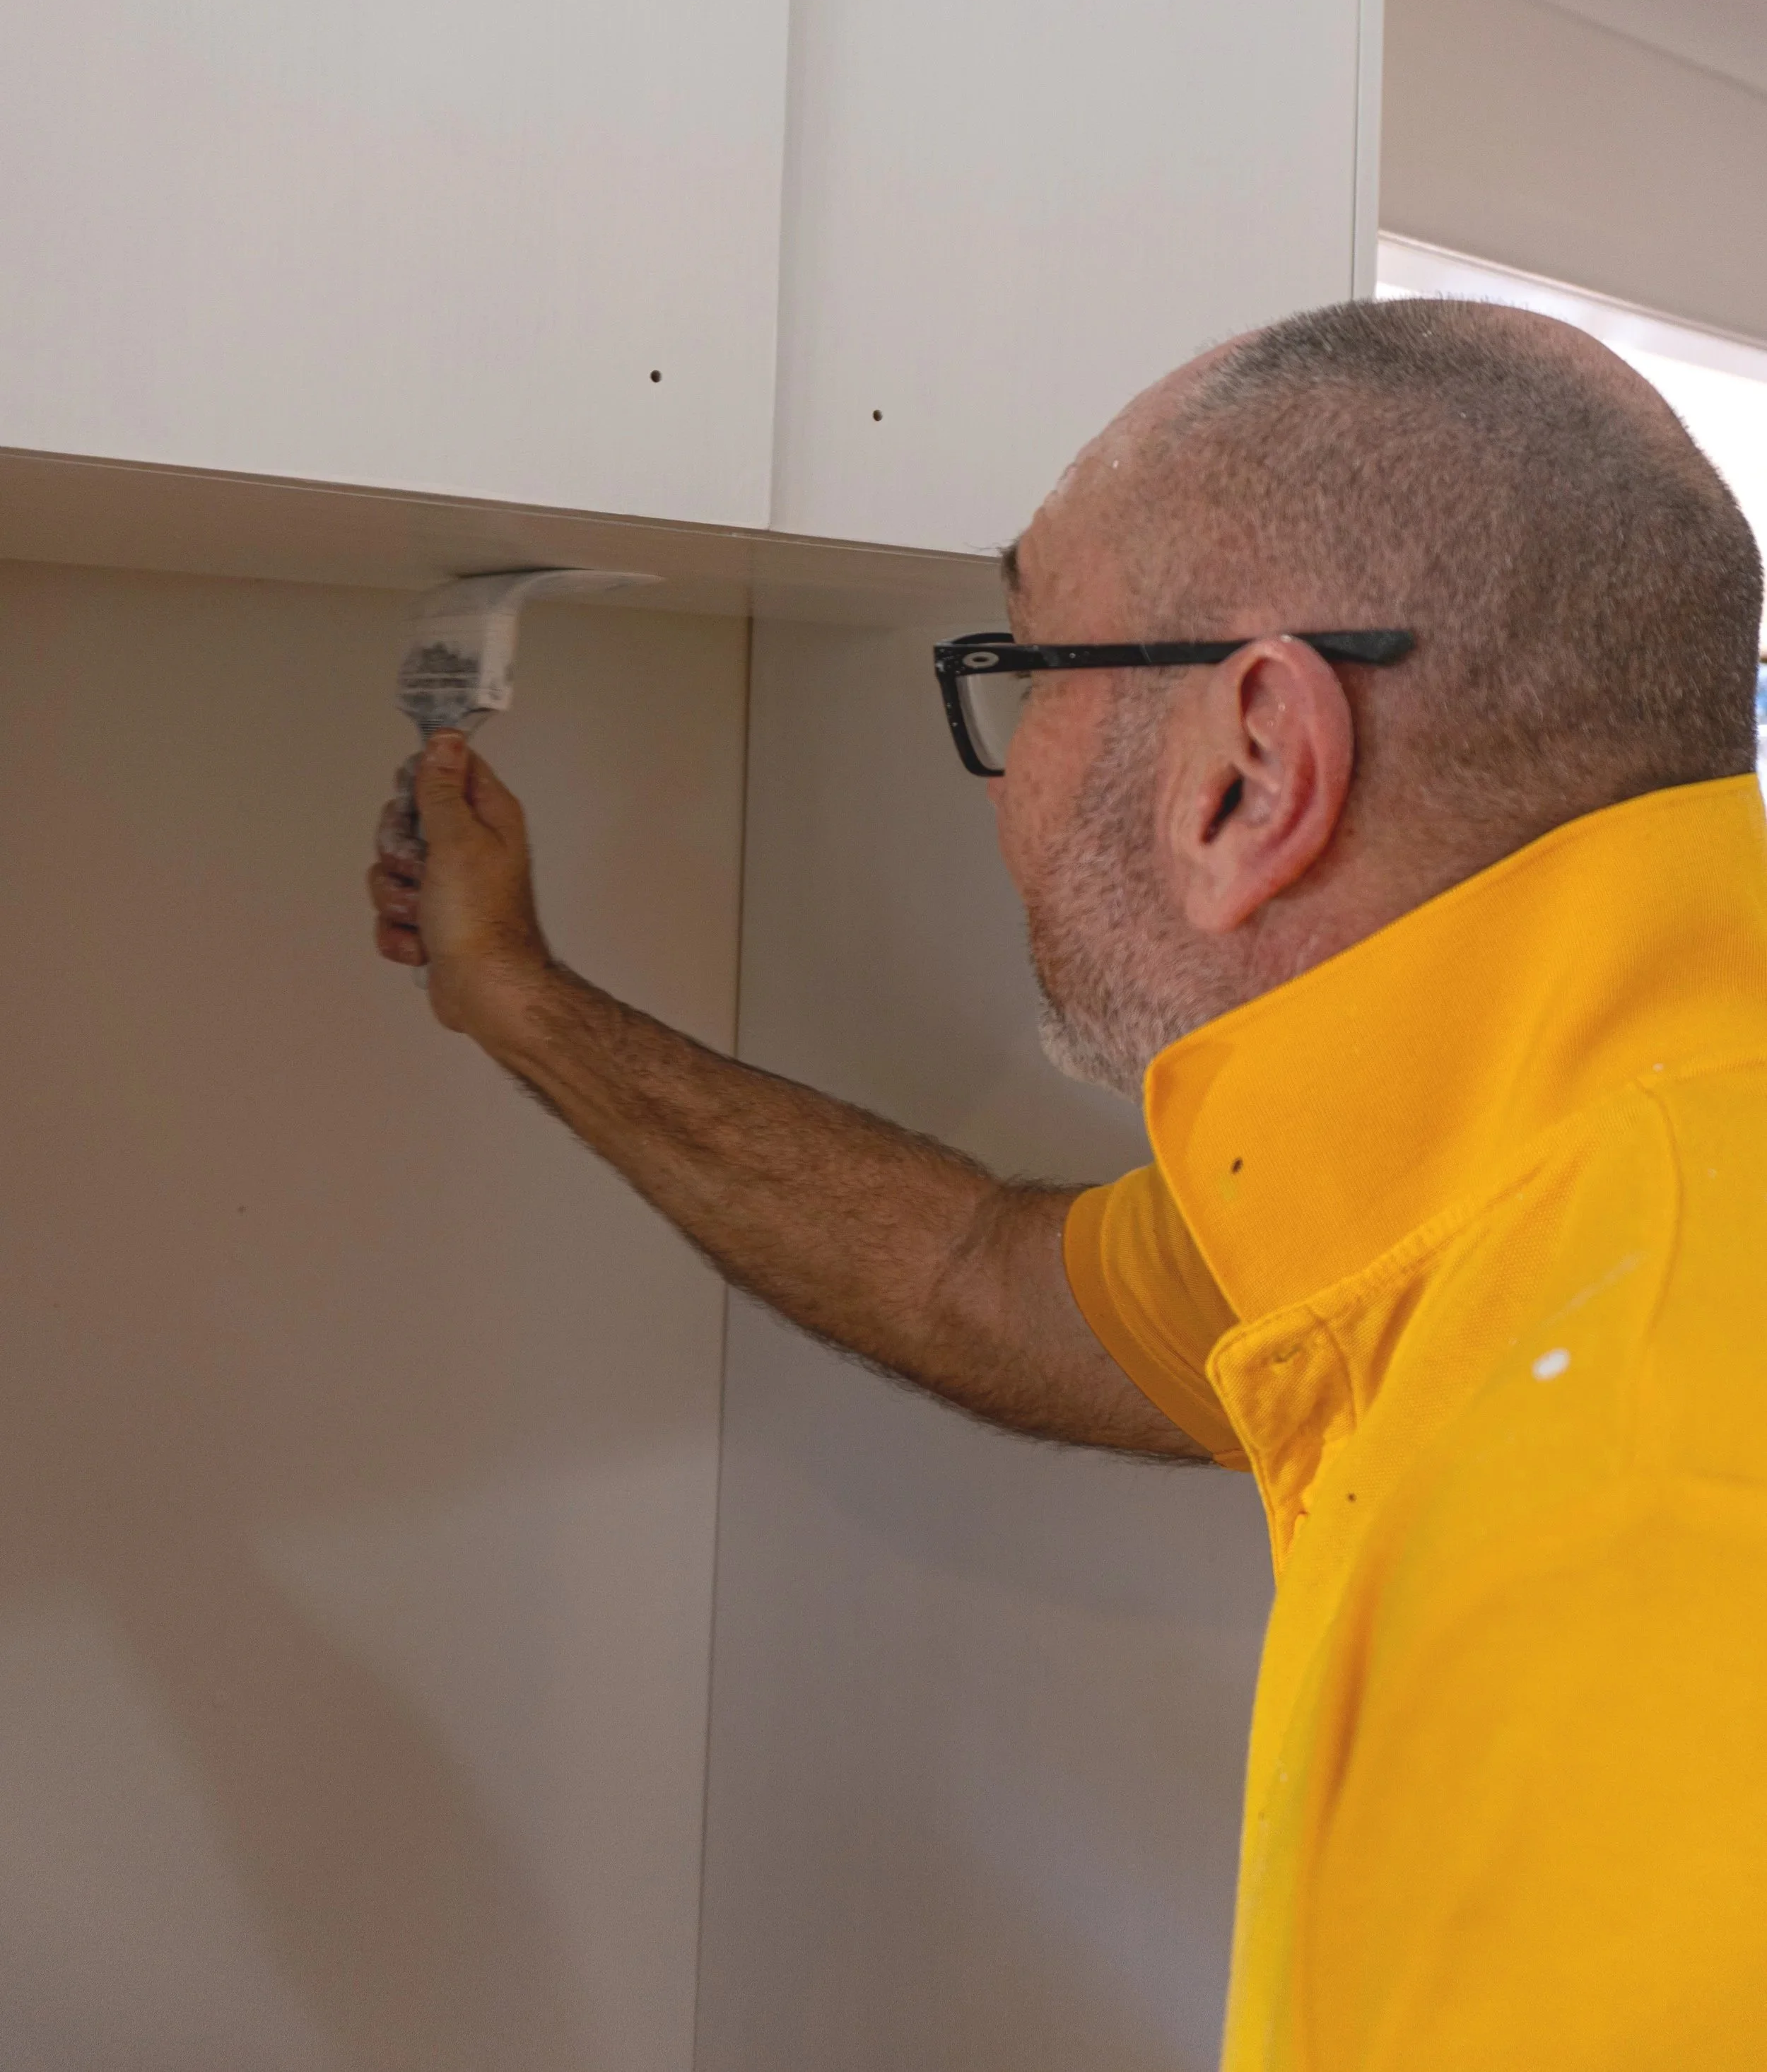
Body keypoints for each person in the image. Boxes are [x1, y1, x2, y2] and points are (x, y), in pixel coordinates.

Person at [368, 295, 1767, 2069]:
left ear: (1250, 767)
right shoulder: (1535, 1151)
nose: (1002, 780)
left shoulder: (1630, 1542)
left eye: (1015, 671)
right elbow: (982, 1277)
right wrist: (527, 1006)